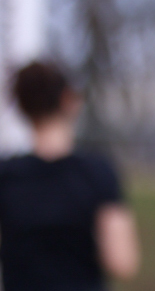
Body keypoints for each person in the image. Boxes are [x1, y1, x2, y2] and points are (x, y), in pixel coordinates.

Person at [0, 60, 139, 291]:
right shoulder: (97, 172)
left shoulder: (6, 175)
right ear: (68, 99)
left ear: (23, 106)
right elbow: (122, 262)